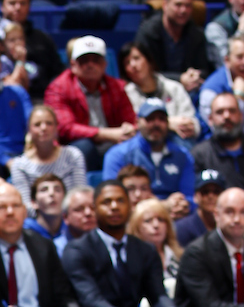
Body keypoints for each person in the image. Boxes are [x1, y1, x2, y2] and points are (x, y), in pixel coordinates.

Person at [62, 180, 174, 307]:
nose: (114, 206)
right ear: (94, 208)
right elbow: (91, 300)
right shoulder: (77, 250)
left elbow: (159, 296)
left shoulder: (146, 250)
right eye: (106, 202)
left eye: (121, 201)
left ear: (131, 207)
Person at [174, 186, 244, 307]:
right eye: (230, 212)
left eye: (243, 212)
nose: (237, 219)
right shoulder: (197, 254)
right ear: (217, 215)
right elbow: (209, 305)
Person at [45, 34, 137, 170]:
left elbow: (130, 120)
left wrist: (129, 129)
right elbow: (66, 129)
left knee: (135, 144)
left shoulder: (118, 87)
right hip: (77, 147)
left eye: (96, 60)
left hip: (114, 143)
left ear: (105, 64)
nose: (90, 65)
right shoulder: (58, 88)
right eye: (84, 60)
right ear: (73, 65)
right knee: (84, 147)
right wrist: (107, 134)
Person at [102, 98, 194, 214]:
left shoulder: (182, 155)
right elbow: (112, 198)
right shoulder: (118, 155)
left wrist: (182, 205)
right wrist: (163, 206)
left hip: (176, 216)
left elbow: (190, 197)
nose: (156, 124)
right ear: (137, 122)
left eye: (161, 119)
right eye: (150, 119)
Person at [0, 182, 75, 307]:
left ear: (24, 211)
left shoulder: (45, 246)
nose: (10, 212)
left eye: (16, 205)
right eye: (2, 207)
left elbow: (63, 295)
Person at [134, 0, 211, 91]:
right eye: (178, 5)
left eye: (188, 6)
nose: (183, 10)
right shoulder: (148, 32)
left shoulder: (196, 34)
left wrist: (195, 75)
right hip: (155, 91)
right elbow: (145, 73)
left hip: (190, 91)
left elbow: (204, 69)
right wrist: (179, 79)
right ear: (165, 5)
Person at [9, 103, 87, 202]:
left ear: (56, 128)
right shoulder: (19, 165)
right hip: (36, 216)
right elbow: (25, 206)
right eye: (37, 124)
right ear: (29, 130)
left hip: (71, 215)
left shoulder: (73, 155)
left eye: (49, 123)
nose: (43, 128)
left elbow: (81, 196)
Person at [2, 0, 64, 97]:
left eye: (22, 3)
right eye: (12, 3)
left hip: (41, 99)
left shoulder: (42, 38)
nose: (18, 7)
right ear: (3, 6)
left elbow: (57, 71)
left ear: (29, 7)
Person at [128, 197, 183, 280]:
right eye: (148, 221)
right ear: (136, 228)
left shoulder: (181, 257)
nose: (156, 225)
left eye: (161, 220)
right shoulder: (128, 259)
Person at [175, 168, 225, 248]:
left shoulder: (230, 226)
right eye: (205, 192)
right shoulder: (182, 228)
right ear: (195, 197)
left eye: (216, 192)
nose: (210, 196)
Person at [22, 172, 67, 246]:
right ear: (34, 203)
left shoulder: (73, 229)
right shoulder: (24, 231)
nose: (51, 193)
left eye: (57, 190)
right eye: (44, 190)